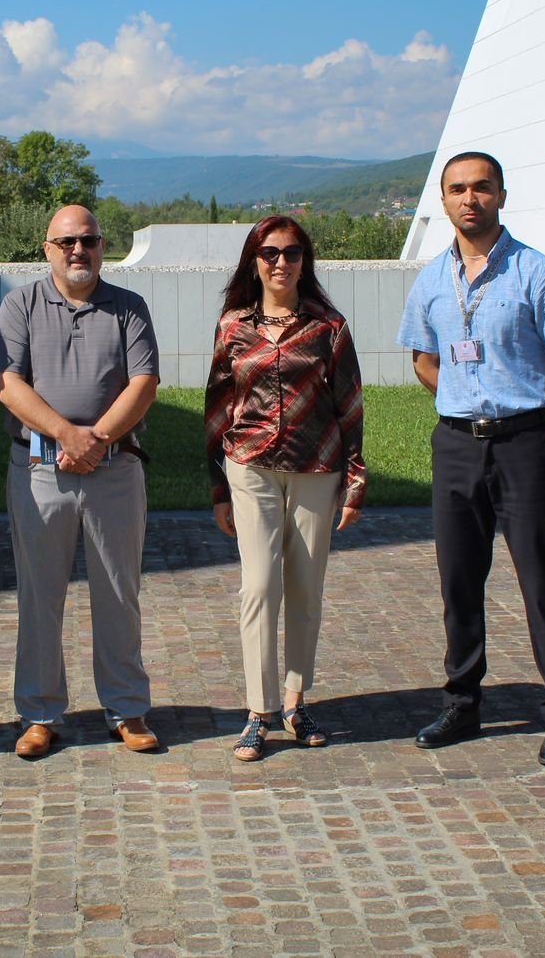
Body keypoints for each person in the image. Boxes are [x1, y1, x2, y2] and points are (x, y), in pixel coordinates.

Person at [395, 151, 545, 767]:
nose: (469, 198)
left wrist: (529, 417)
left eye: (481, 187)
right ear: (443, 201)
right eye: (457, 189)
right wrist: (463, 401)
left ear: (501, 195)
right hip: (456, 443)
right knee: (458, 581)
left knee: (541, 580)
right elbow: (424, 359)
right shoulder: (432, 279)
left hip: (522, 443)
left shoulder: (538, 272)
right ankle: (462, 702)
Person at [0, 204, 160, 758]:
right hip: (40, 471)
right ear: (47, 249)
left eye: (88, 240)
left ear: (102, 247)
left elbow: (144, 384)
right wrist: (67, 435)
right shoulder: (19, 305)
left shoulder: (129, 307)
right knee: (40, 596)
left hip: (115, 470)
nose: (78, 250)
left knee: (119, 592)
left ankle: (127, 708)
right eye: (66, 242)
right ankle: (39, 714)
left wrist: (96, 440)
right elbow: (9, 385)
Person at [204, 216, 366, 762]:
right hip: (249, 466)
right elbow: (217, 407)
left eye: (292, 253)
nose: (281, 262)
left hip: (316, 467)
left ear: (304, 261)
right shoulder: (233, 327)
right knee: (258, 586)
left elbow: (349, 405)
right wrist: (218, 487)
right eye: (269, 253)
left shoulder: (329, 327)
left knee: (305, 587)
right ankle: (259, 710)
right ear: (254, 261)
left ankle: (296, 702)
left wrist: (355, 479)